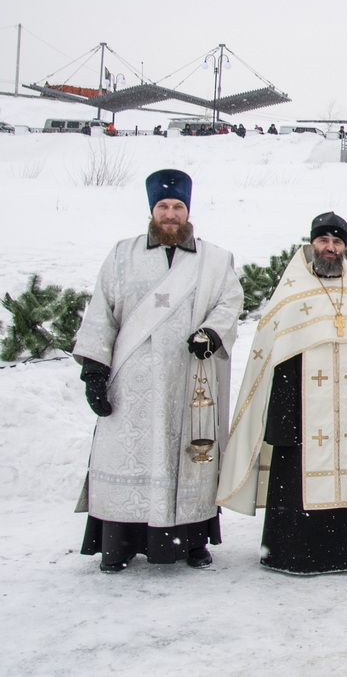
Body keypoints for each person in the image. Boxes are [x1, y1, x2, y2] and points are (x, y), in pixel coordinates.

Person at [73, 169, 243, 573]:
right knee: (129, 459)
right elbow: (101, 314)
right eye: (163, 207)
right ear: (152, 210)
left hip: (190, 376)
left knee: (190, 458)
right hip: (132, 383)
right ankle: (120, 543)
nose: (171, 214)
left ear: (188, 211)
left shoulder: (215, 259)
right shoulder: (121, 254)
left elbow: (230, 301)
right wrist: (94, 373)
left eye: (178, 207)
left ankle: (192, 540)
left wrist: (211, 333)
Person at [217, 213, 347, 575]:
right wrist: (283, 418)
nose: (330, 248)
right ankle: (292, 552)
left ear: (345, 247)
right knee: (296, 479)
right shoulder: (291, 291)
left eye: (337, 242)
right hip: (299, 414)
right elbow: (272, 357)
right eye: (323, 241)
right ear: (312, 243)